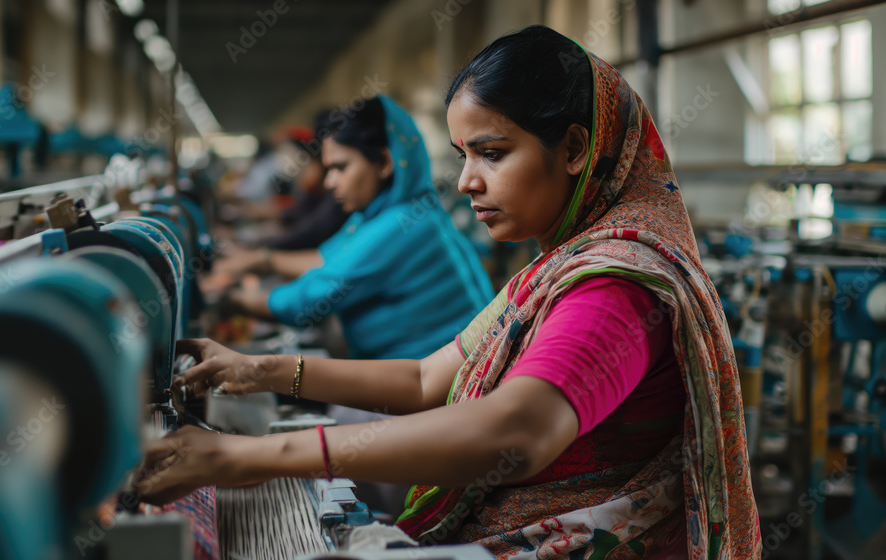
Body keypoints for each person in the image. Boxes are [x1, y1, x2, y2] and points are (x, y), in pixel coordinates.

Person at [136, 26, 761, 559]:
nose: (466, 181)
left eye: (492, 153)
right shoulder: (555, 267)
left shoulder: (615, 287)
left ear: (574, 148)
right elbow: (421, 382)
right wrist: (258, 369)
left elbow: (514, 434)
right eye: (463, 154)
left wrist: (245, 459)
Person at [213, 96, 494, 361]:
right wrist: (258, 261)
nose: (329, 182)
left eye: (341, 167)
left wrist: (228, 300)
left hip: (449, 395)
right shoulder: (380, 214)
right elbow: (327, 261)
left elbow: (305, 303)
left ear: (384, 162)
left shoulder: (402, 224)